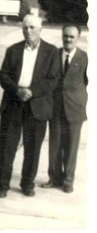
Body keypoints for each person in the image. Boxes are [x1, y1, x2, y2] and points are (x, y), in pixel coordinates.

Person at [0, 13, 59, 198]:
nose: (28, 31)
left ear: (40, 29)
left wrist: (31, 91)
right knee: (7, 147)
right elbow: (3, 75)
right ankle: (2, 185)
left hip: (37, 106)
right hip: (13, 104)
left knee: (33, 148)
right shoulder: (13, 50)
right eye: (25, 27)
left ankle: (27, 184)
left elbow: (52, 80)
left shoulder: (51, 52)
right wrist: (18, 91)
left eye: (32, 28)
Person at [44, 24, 88, 193]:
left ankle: (68, 181)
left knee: (71, 146)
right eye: (66, 36)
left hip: (75, 109)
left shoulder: (85, 58)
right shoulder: (53, 55)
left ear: (78, 38)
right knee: (54, 144)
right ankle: (54, 178)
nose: (68, 39)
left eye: (72, 37)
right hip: (55, 108)